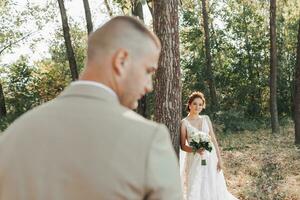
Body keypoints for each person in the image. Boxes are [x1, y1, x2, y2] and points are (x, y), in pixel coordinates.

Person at [0, 16, 182, 200]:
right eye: (148, 71)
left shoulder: (12, 136)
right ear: (121, 61)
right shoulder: (148, 139)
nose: (149, 86)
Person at [179, 91, 238, 200]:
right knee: (196, 183)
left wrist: (219, 159)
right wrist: (195, 149)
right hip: (194, 159)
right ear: (189, 104)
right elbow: (183, 145)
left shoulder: (206, 119)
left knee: (211, 183)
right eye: (195, 104)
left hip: (211, 157)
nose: (198, 107)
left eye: (200, 104)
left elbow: (214, 140)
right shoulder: (184, 123)